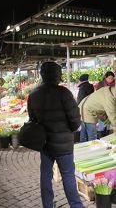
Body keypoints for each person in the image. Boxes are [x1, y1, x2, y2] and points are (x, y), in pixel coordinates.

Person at [28, 62, 83, 208]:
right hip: (64, 144)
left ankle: (47, 205)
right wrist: (74, 129)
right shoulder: (63, 93)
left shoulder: (33, 94)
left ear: (42, 75)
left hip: (45, 143)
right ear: (58, 75)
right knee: (68, 175)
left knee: (45, 176)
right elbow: (75, 119)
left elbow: (32, 120)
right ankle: (76, 205)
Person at [96, 71, 115, 138]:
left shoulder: (114, 85)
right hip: (102, 109)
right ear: (105, 77)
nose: (110, 80)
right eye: (109, 78)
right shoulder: (101, 84)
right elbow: (97, 96)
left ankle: (108, 142)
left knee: (109, 128)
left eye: (112, 78)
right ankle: (101, 141)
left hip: (111, 108)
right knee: (101, 128)